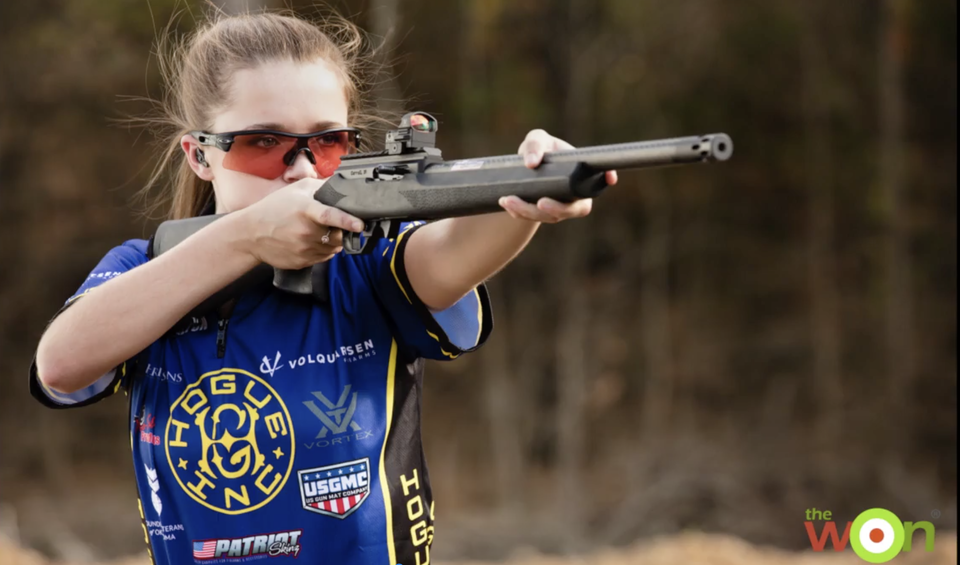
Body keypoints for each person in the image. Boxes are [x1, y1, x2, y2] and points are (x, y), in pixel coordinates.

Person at [29, 10, 617, 565]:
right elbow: (60, 365)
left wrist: (529, 193)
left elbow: (452, 252)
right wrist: (243, 241)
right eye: (264, 143)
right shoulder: (145, 268)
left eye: (328, 142)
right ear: (201, 156)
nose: (303, 170)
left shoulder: (370, 263)